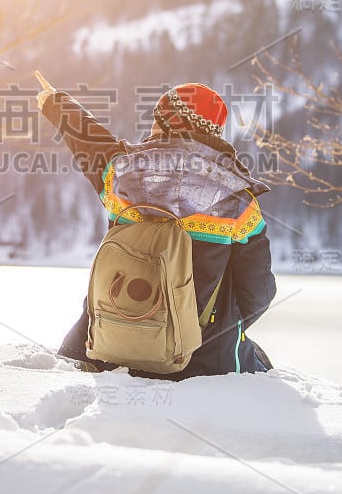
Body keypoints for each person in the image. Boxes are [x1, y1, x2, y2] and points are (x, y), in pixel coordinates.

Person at [35, 70, 276, 380]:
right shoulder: (238, 203)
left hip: (102, 348)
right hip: (199, 364)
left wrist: (56, 103)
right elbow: (258, 295)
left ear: (167, 122)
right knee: (261, 362)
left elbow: (90, 143)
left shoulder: (121, 175)